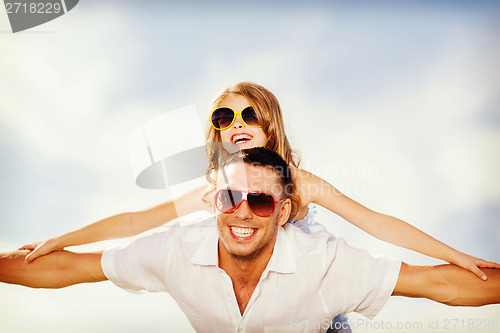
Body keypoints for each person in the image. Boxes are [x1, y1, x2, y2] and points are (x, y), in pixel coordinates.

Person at [19, 82, 499, 284]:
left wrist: (453, 254)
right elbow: (135, 219)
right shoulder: (215, 191)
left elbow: (376, 223)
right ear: (219, 133)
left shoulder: (297, 181)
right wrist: (62, 239)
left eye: (250, 113)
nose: (237, 122)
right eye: (225, 117)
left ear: (270, 124)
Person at [1, 148, 500, 333]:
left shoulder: (324, 265)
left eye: (260, 202)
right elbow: (70, 268)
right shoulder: (174, 250)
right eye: (230, 199)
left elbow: (441, 286)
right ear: (211, 200)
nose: (243, 212)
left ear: (284, 211)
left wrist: (457, 257)